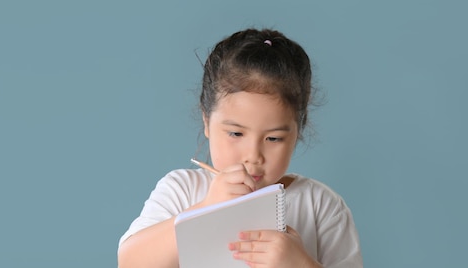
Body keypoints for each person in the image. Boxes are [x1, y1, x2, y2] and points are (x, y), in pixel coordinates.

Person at [117, 28, 362, 268]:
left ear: (297, 131)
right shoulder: (183, 190)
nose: (253, 156)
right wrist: (204, 210)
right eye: (235, 133)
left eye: (274, 138)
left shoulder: (322, 205)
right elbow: (129, 262)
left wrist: (300, 263)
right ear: (207, 122)